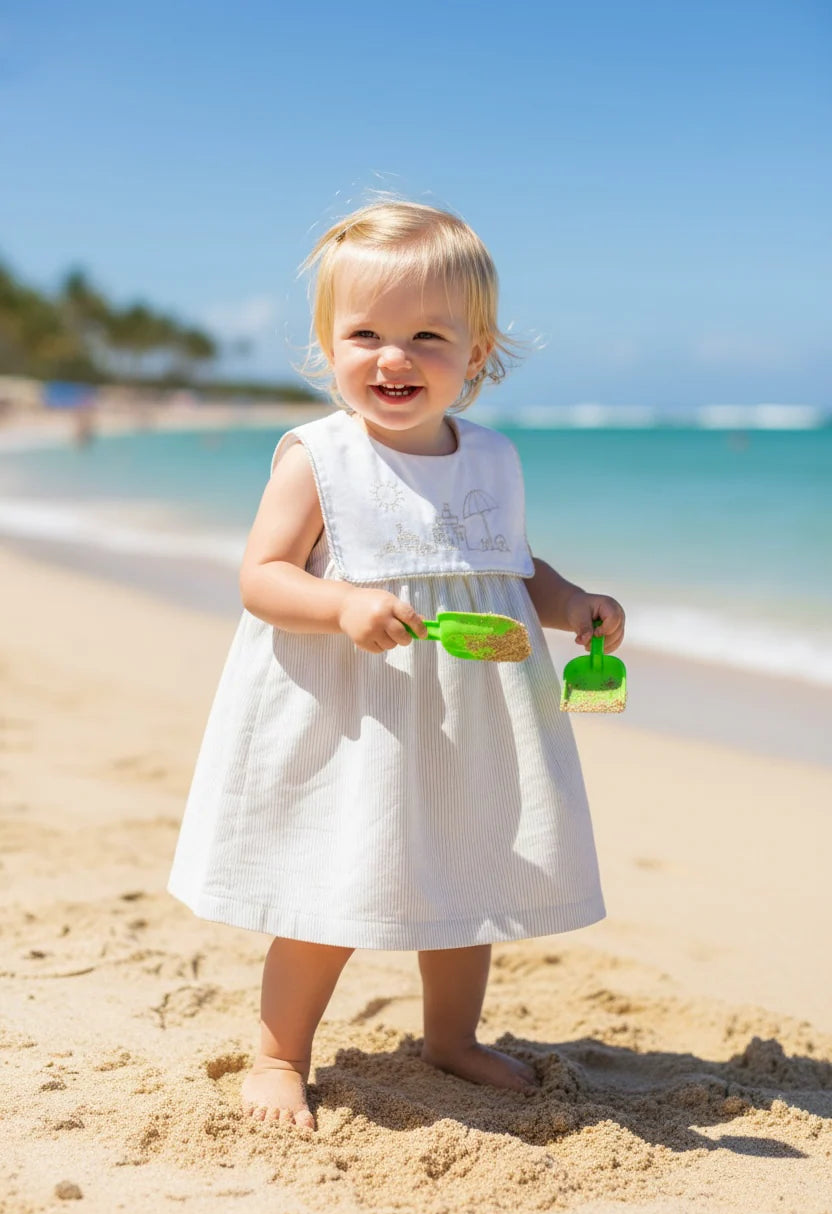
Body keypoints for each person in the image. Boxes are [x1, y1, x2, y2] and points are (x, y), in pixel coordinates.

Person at [167, 199, 626, 1131]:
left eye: (427, 335)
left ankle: (450, 1040)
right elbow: (261, 578)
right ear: (326, 343)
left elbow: (510, 567)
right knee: (328, 878)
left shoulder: (491, 459)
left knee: (470, 877)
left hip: (473, 713)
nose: (394, 357)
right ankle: (278, 1052)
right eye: (366, 333)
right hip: (356, 712)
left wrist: (574, 607)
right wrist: (341, 604)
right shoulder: (321, 457)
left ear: (478, 350)